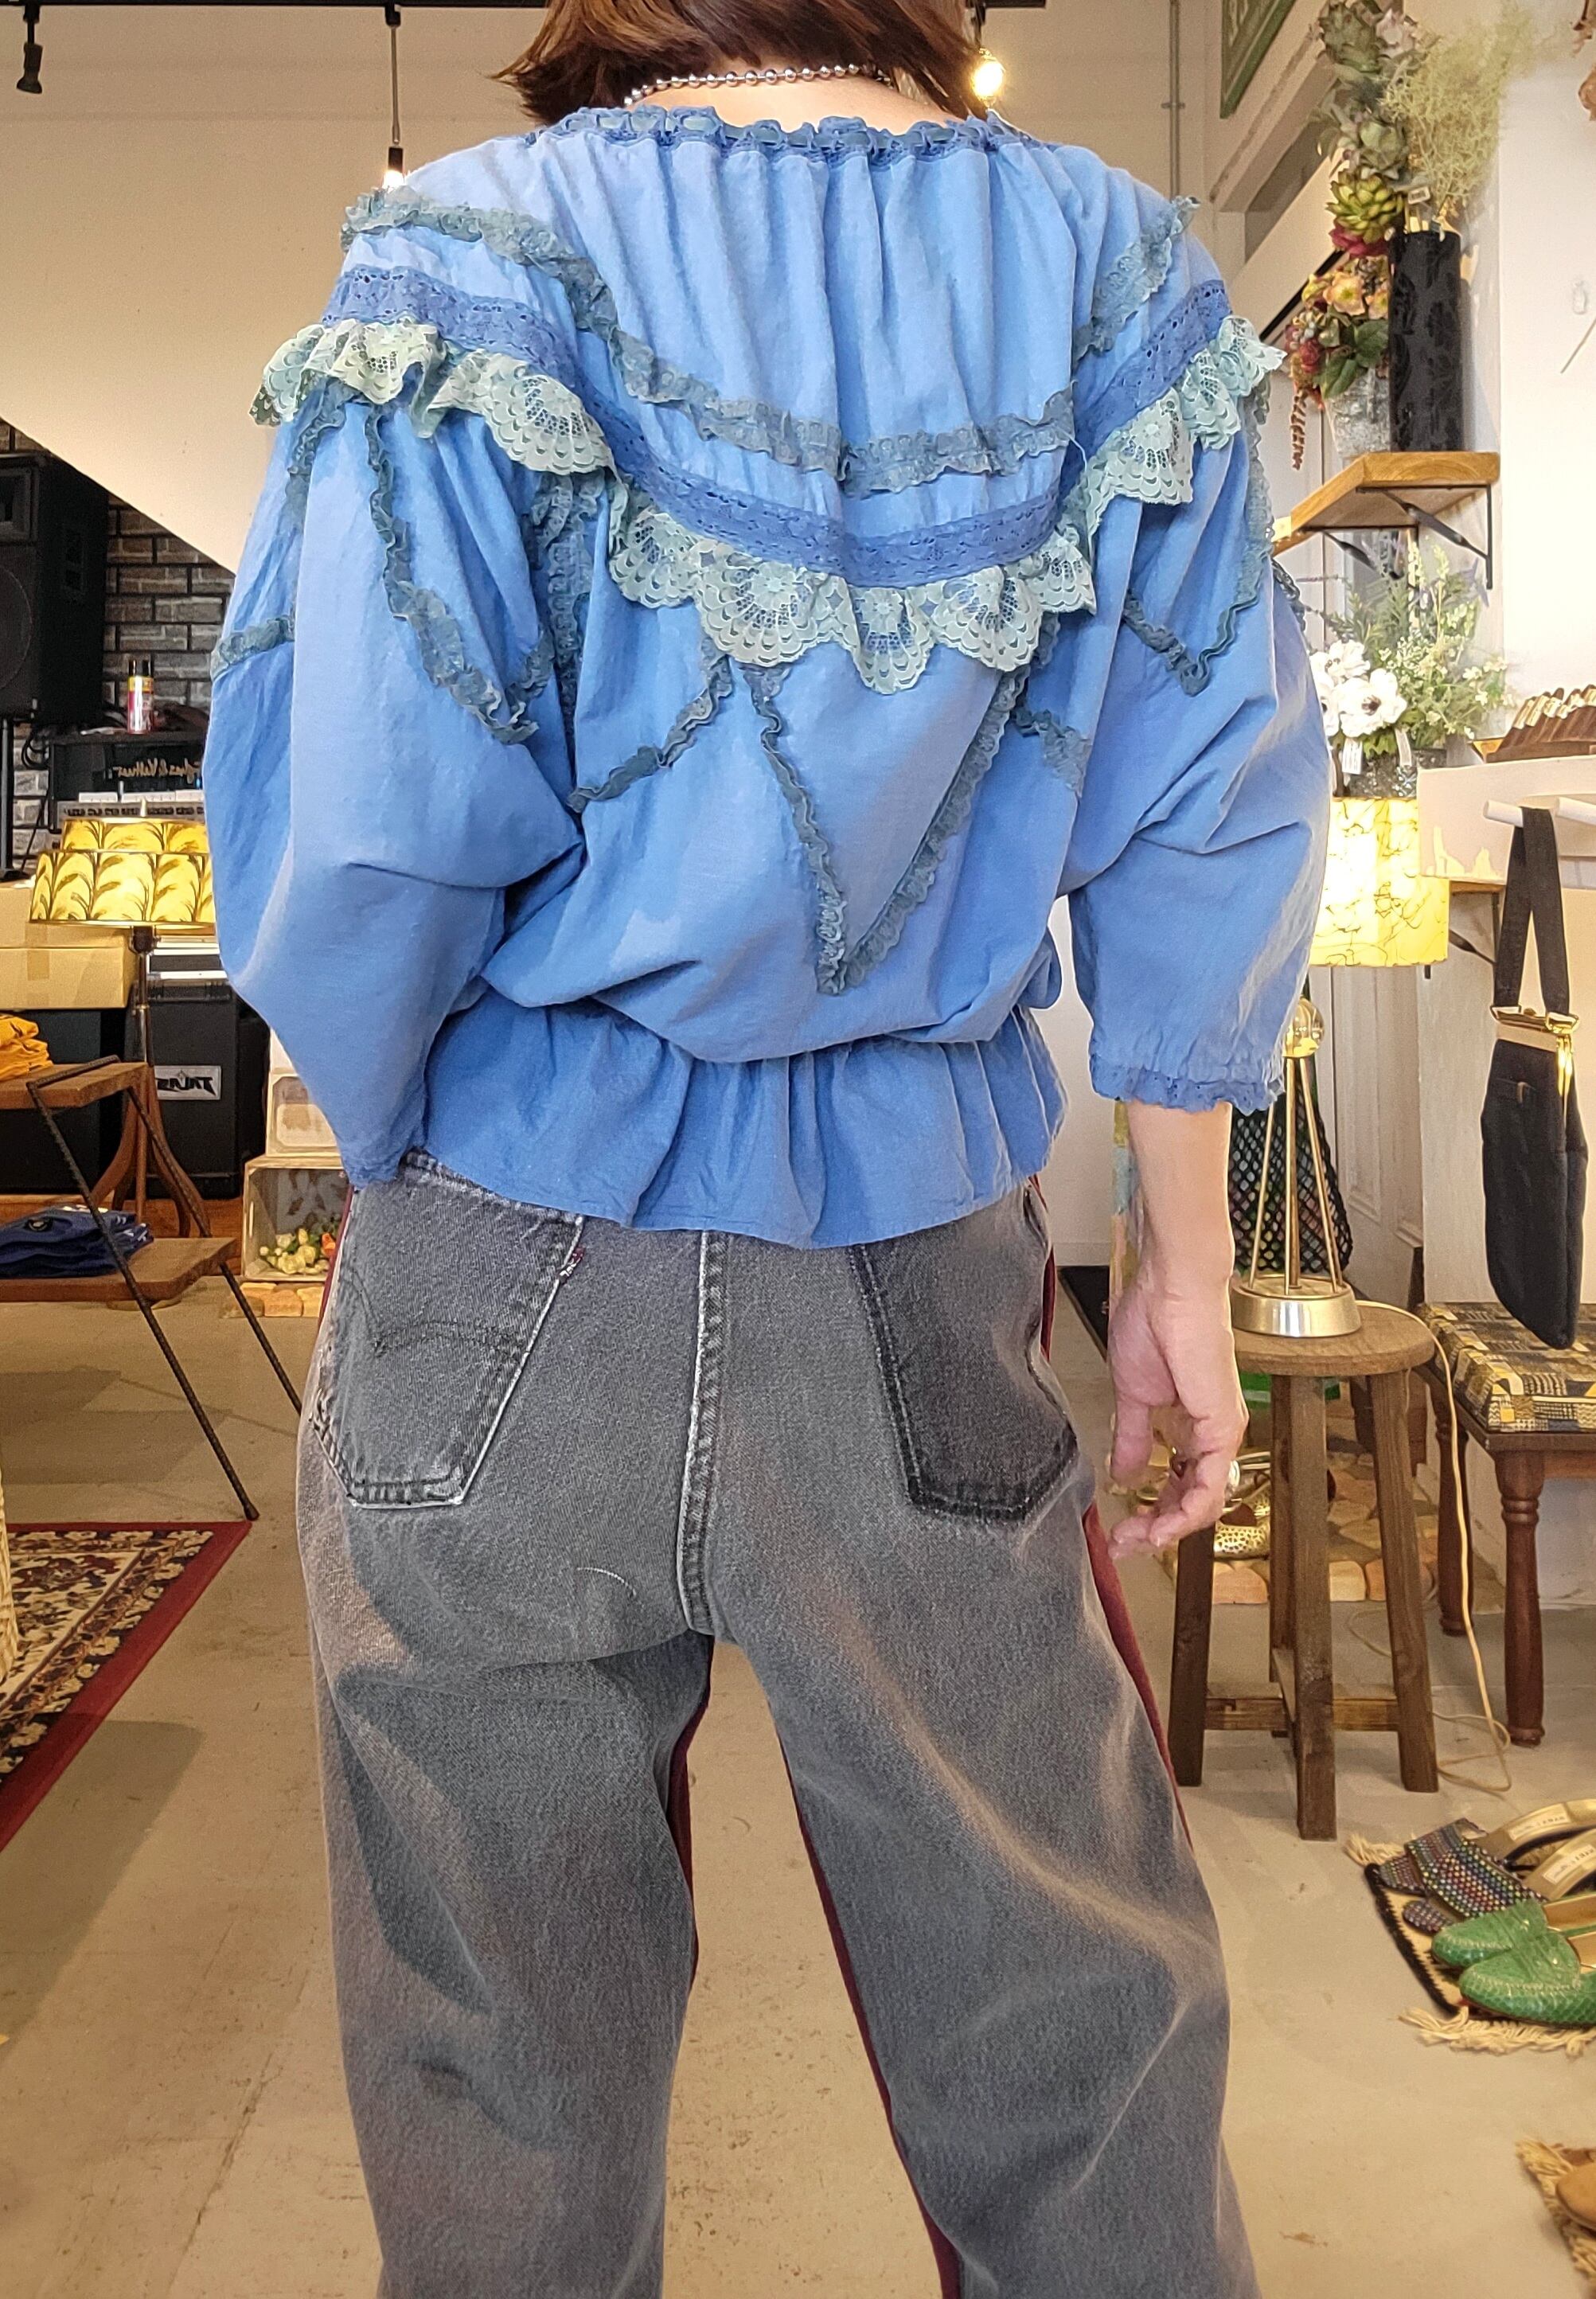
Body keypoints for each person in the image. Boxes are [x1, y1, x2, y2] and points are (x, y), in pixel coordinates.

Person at [203, 3, 1328, 2292]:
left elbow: (358, 824)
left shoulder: (463, 257)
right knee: (1065, 1997)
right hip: (914, 1265)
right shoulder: (1114, 268)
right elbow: (1212, 799)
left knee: (492, 2047)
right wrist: (1182, 1274)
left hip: (503, 1251)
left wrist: (425, 1153)